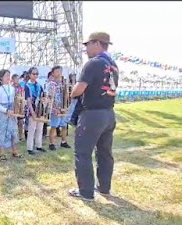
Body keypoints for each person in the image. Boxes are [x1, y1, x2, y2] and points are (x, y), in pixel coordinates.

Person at [68, 32, 118, 201]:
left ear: (97, 43)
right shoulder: (113, 65)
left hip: (92, 114)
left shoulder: (93, 63)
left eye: (87, 44)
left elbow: (78, 90)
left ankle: (85, 192)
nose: (86, 48)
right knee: (104, 153)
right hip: (109, 114)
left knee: (83, 153)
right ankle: (104, 188)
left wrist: (72, 91)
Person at [0, 70, 23, 161]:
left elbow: (15, 100)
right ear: (1, 78)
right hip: (4, 113)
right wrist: (6, 110)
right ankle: (2, 153)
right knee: (3, 132)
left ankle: (14, 151)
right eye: (6, 76)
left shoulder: (12, 89)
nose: (8, 77)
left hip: (12, 112)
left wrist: (17, 107)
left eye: (9, 75)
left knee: (13, 132)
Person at [47, 66, 72, 151]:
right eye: (57, 71)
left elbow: (67, 95)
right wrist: (54, 108)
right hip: (55, 108)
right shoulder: (51, 84)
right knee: (54, 126)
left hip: (63, 107)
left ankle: (63, 142)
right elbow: (50, 97)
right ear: (53, 73)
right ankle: (52, 143)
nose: (59, 73)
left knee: (64, 125)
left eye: (60, 71)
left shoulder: (63, 83)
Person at [24, 67, 46, 155]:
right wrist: (32, 112)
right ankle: (29, 147)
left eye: (37, 74)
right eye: (33, 74)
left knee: (40, 129)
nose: (35, 75)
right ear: (29, 75)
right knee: (31, 129)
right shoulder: (27, 86)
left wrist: (44, 100)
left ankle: (38, 145)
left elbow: (42, 96)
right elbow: (28, 100)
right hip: (31, 110)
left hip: (40, 109)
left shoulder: (39, 86)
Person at [11, 74, 24, 141]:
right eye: (16, 79)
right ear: (12, 80)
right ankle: (14, 136)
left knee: (21, 122)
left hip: (20, 106)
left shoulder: (21, 87)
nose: (17, 80)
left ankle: (20, 135)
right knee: (13, 122)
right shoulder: (10, 87)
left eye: (18, 79)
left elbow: (23, 95)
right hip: (13, 106)